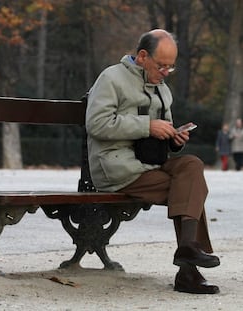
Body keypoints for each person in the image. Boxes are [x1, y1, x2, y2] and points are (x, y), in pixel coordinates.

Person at [86, 29, 220, 294]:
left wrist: (174, 138)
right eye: (161, 66)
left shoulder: (162, 89)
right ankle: (188, 270)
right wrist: (148, 126)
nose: (165, 73)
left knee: (191, 166)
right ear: (143, 56)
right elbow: (96, 124)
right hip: (118, 167)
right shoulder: (111, 78)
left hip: (151, 163)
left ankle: (187, 252)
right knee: (189, 190)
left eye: (171, 68)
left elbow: (163, 128)